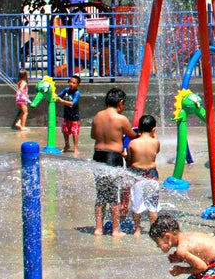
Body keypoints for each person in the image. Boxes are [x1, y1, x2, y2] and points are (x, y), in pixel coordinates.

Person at [90, 88, 136, 237]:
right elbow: (132, 135)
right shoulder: (121, 119)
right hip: (112, 157)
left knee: (101, 194)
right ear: (120, 103)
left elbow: (93, 135)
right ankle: (116, 230)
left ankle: (98, 228)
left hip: (98, 156)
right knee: (113, 195)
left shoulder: (98, 116)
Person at [127, 114, 161, 235]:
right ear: (153, 129)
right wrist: (154, 134)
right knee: (153, 206)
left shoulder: (133, 143)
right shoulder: (155, 142)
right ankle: (153, 228)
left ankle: (137, 229)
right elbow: (156, 152)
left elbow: (129, 162)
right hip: (152, 176)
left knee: (137, 204)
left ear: (139, 129)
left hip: (137, 176)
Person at [56, 75, 81, 155]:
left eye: (74, 83)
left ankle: (76, 148)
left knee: (74, 133)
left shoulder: (77, 93)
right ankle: (67, 145)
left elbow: (73, 103)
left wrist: (61, 101)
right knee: (65, 131)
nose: (71, 84)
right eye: (70, 82)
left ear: (78, 85)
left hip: (74, 116)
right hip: (66, 115)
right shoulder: (66, 90)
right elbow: (58, 96)